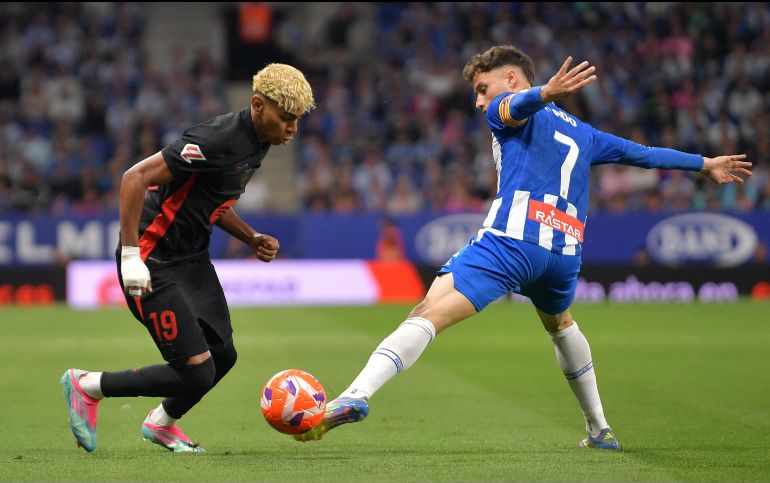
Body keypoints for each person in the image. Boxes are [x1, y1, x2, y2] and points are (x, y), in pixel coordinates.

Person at [294, 45, 752, 449]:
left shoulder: (506, 110)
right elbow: (644, 154)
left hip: (514, 240)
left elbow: (514, 107)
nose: (479, 101)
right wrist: (704, 163)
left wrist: (544, 93)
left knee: (427, 312)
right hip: (565, 253)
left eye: (482, 88)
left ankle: (356, 395)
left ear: (510, 79)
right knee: (561, 324)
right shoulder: (586, 133)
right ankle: (599, 428)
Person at [60, 63, 315, 453]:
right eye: (286, 119)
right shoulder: (215, 139)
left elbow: (210, 199)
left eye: (296, 120)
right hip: (153, 259)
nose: (292, 129)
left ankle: (161, 424)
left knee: (223, 355)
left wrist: (250, 237)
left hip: (192, 258)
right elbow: (134, 178)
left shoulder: (261, 140)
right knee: (196, 373)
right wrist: (131, 257)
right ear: (257, 105)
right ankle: (88, 385)